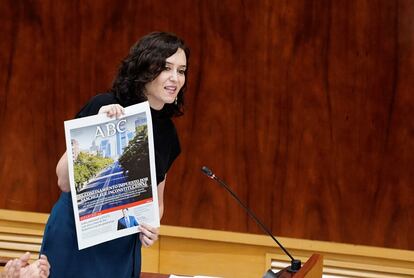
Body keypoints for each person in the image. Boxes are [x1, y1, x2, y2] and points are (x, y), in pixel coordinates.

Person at [40, 31, 190, 277]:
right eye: (166, 68)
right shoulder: (104, 105)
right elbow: (63, 181)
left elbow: (157, 200)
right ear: (145, 69)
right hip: (74, 238)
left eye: (181, 70)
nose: (175, 78)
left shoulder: (167, 133)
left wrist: (152, 225)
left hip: (121, 245)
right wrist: (94, 128)